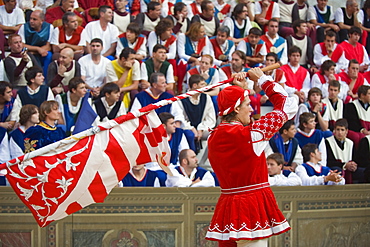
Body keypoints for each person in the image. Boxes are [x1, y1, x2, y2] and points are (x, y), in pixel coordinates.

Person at [205, 68, 297, 245]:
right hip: (251, 205)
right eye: (247, 104)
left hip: (228, 205)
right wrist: (262, 79)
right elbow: (289, 105)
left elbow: (237, 125)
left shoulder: (213, 136)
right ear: (237, 108)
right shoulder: (253, 134)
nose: (251, 108)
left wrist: (240, 88)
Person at [325, 118, 364, 184]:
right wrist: (345, 165)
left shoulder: (351, 143)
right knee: (337, 170)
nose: (340, 132)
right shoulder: (327, 142)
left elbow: (356, 159)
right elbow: (329, 161)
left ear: (346, 131)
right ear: (334, 130)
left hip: (349, 169)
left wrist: (353, 165)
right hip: (336, 168)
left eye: (342, 130)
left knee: (364, 172)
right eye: (338, 129)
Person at [18, 10, 53, 76]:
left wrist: (37, 51)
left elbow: (48, 46)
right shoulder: (24, 27)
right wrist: (37, 49)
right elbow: (21, 44)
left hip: (42, 52)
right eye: (30, 18)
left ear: (42, 21)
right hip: (28, 51)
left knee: (49, 55)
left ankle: (45, 78)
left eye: (34, 19)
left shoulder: (49, 27)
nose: (31, 21)